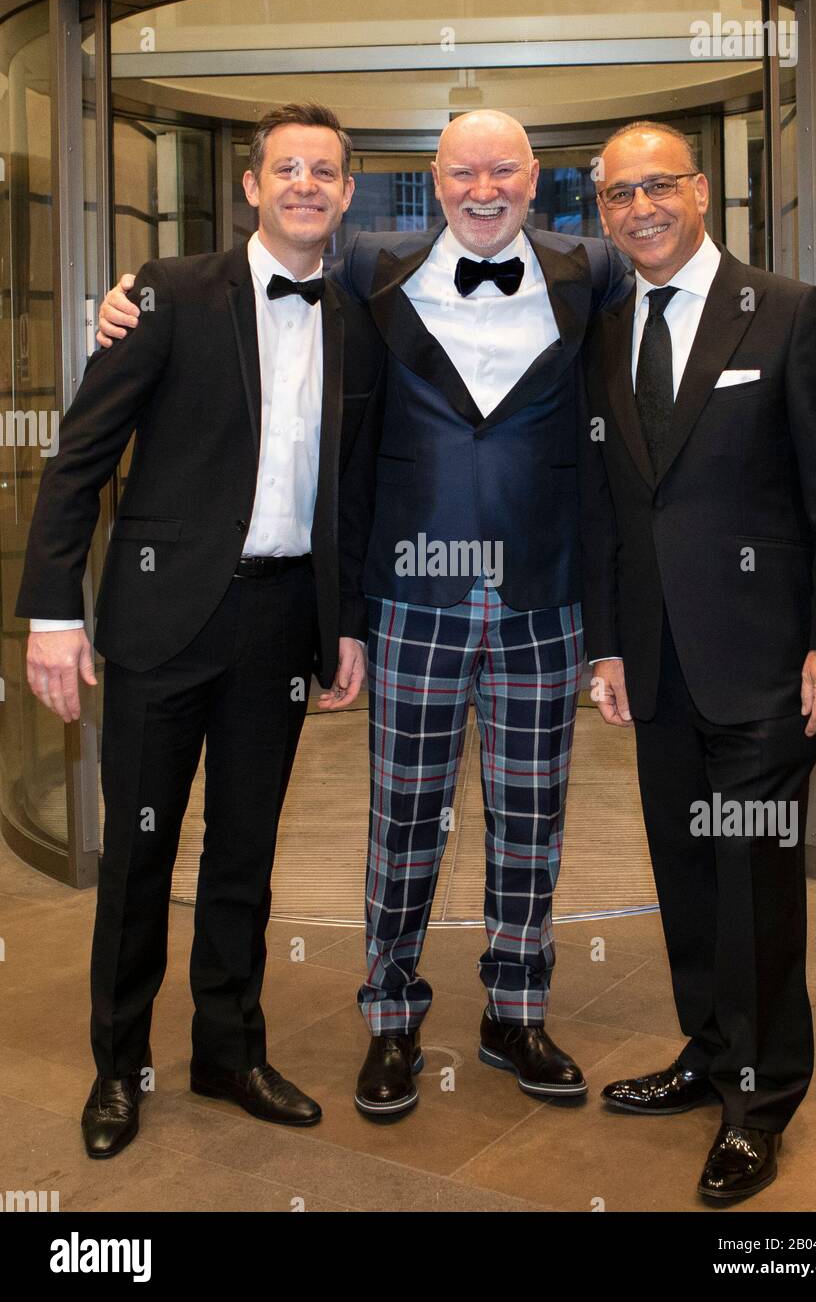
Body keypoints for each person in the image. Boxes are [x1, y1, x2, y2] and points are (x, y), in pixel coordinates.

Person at [97, 108, 633, 1120]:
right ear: (431, 182)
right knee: (402, 824)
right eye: (463, 171)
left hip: (541, 594)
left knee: (532, 824)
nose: (485, 189)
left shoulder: (588, 269)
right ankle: (392, 1017)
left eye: (505, 171)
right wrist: (126, 297)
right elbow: (245, 284)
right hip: (410, 595)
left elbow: (670, 258)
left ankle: (514, 1011)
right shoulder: (365, 269)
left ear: (534, 178)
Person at [16, 102, 384, 1158]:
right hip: (161, 618)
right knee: (139, 856)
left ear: (348, 192)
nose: (307, 184)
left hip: (280, 627)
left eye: (326, 170)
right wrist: (52, 611)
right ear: (251, 187)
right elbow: (79, 458)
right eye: (287, 168)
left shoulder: (357, 318)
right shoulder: (164, 295)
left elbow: (351, 498)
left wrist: (344, 623)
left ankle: (228, 1048)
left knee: (243, 853)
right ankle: (118, 1067)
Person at [583, 120, 816, 1203]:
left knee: (753, 885)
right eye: (618, 194)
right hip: (656, 666)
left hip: (767, 666)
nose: (640, 207)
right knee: (687, 873)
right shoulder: (605, 326)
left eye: (658, 185)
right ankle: (708, 1050)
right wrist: (608, 644)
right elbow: (612, 505)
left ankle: (759, 1102)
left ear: (701, 190)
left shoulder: (789, 311)